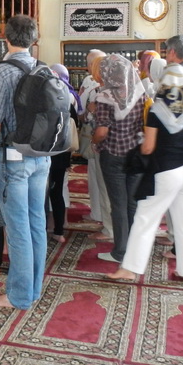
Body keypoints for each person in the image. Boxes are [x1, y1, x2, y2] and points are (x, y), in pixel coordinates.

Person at [0, 15, 50, 309]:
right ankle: (33, 289)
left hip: (13, 158)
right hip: (41, 158)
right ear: (34, 39)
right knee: (36, 224)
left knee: (18, 229)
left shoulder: (2, 72)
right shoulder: (43, 68)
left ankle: (19, 295)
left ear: (5, 39)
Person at [107, 63, 183, 284]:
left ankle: (130, 269)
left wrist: (137, 147)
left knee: (145, 219)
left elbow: (148, 148)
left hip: (166, 171)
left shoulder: (158, 109)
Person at [93, 54, 147, 265]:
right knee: (132, 203)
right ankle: (135, 248)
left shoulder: (105, 96)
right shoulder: (140, 91)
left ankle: (120, 252)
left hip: (113, 155)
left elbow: (102, 132)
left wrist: (94, 143)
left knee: (118, 204)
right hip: (135, 153)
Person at [46, 64, 81, 244]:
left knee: (41, 192)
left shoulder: (43, 101)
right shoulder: (67, 100)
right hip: (62, 152)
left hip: (45, 152)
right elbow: (75, 125)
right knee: (57, 191)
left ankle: (43, 227)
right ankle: (58, 230)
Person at [79, 49, 111, 241]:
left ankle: (109, 227)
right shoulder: (124, 89)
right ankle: (100, 216)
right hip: (112, 145)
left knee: (105, 184)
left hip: (104, 143)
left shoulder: (105, 90)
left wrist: (91, 111)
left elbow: (87, 112)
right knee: (99, 181)